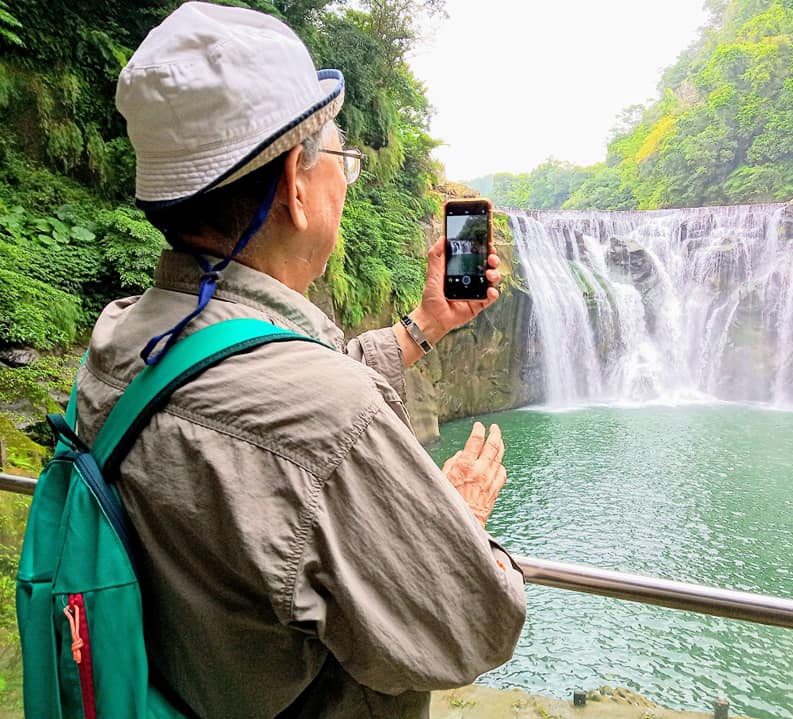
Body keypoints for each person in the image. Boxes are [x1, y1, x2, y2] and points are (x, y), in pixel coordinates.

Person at [73, 3, 526, 718]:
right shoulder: (330, 417)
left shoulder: (121, 340)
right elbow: (472, 626)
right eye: (343, 162)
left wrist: (423, 326)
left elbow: (249, 388)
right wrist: (458, 523)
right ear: (295, 183)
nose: (346, 181)